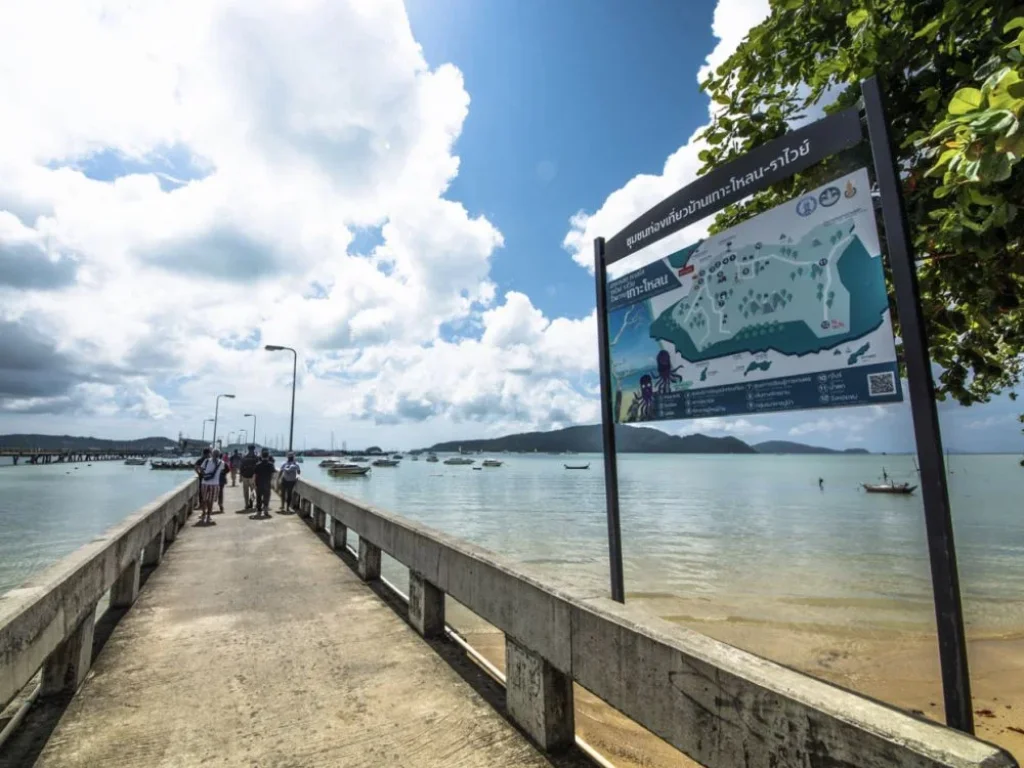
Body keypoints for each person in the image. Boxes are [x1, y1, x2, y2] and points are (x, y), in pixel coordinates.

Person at [196, 448, 225, 525]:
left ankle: (204, 513)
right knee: (211, 501)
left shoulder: (206, 460)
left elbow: (201, 470)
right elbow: (222, 470)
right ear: (219, 455)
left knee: (204, 499)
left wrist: (205, 474)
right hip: (215, 484)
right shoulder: (221, 463)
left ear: (212, 454)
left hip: (204, 483)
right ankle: (209, 515)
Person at [252, 448, 276, 520]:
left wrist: (253, 483)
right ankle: (265, 510)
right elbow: (273, 475)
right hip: (267, 483)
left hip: (259, 483)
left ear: (261, 456)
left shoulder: (258, 464)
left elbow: (255, 475)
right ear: (268, 456)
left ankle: (259, 511)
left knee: (258, 497)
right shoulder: (271, 465)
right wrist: (273, 483)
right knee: (266, 497)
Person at [239, 445, 258, 510]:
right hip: (252, 476)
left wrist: (240, 476)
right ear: (253, 449)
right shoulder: (256, 458)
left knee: (246, 491)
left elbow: (241, 467)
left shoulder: (244, 457)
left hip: (245, 476)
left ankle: (247, 504)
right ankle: (250, 502)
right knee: (253, 491)